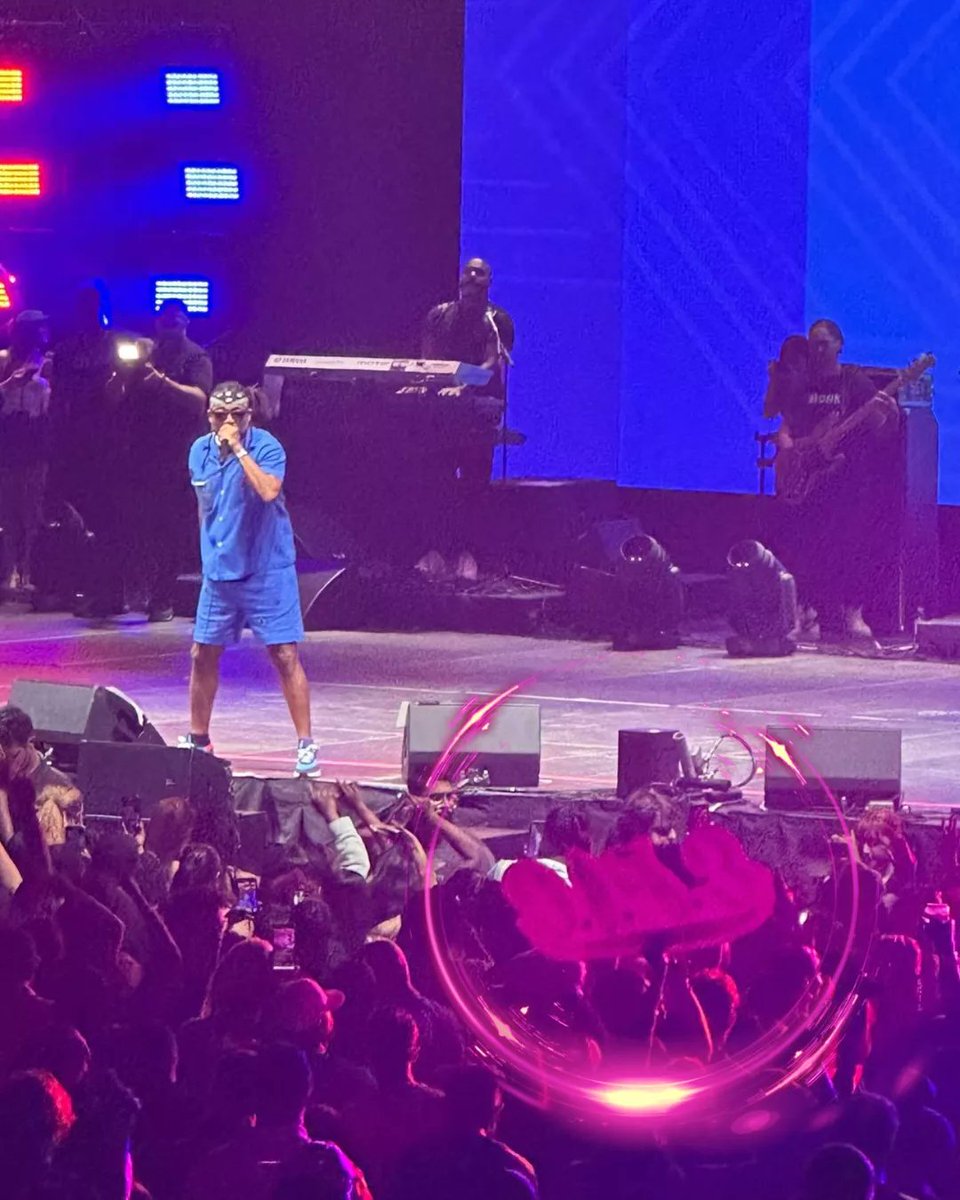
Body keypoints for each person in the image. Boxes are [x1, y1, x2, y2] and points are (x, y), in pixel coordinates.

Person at [183, 381, 320, 774]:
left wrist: (239, 450)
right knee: (202, 653)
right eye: (219, 415)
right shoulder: (198, 452)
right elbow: (204, 507)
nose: (228, 421)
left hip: (266, 569)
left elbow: (267, 490)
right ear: (209, 415)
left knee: (284, 655)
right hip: (220, 572)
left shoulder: (266, 447)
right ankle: (198, 740)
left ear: (249, 416)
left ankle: (306, 747)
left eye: (237, 415)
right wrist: (207, 555)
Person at [766, 319, 896, 640]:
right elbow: (785, 427)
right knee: (807, 549)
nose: (818, 350)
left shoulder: (855, 383)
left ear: (839, 344)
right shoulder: (802, 386)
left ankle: (853, 613)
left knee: (850, 546)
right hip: (811, 481)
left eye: (824, 343)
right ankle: (805, 612)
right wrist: (793, 452)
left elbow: (883, 431)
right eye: (814, 343)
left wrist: (889, 411)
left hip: (848, 480)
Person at [125, 297, 212, 621]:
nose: (169, 326)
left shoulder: (195, 357)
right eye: (164, 320)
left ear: (185, 322)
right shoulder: (149, 354)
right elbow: (118, 397)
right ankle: (137, 591)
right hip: (144, 453)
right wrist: (129, 369)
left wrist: (161, 382)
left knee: (173, 527)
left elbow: (198, 400)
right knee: (143, 525)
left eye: (175, 321)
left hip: (180, 455)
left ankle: (164, 596)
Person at [49, 283, 128, 616]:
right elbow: (58, 397)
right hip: (75, 442)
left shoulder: (116, 346)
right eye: (84, 307)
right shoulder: (67, 349)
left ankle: (113, 593)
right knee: (83, 519)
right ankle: (86, 589)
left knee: (109, 519)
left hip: (110, 443)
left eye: (94, 306)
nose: (89, 313)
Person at [0, 309, 52, 591]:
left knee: (32, 512)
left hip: (35, 447)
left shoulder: (49, 363)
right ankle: (8, 570)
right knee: (7, 513)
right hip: (7, 446)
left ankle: (31, 569)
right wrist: (11, 384)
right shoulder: (3, 361)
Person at [0, 705, 83, 847]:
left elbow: (44, 858)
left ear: (30, 742)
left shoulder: (58, 787)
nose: (7, 765)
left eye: (14, 756)